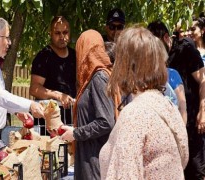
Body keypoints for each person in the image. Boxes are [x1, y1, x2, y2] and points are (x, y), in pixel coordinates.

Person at [99, 26, 189, 179]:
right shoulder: (167, 105)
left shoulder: (135, 114)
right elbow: (183, 157)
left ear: (125, 65)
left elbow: (125, 175)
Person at [148, 20, 205, 179]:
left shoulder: (186, 50)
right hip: (168, 133)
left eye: (156, 44)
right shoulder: (153, 59)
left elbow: (203, 80)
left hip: (192, 124)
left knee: (196, 171)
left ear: (166, 38)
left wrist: (203, 110)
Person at [60, 30, 117, 179]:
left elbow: (106, 122)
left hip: (95, 162)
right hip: (90, 159)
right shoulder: (95, 77)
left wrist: (76, 133)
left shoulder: (99, 78)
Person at [30, 16, 76, 134]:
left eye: (65, 32)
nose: (62, 37)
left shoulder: (75, 56)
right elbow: (34, 89)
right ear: (50, 33)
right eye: (57, 33)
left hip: (71, 121)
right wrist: (58, 95)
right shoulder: (43, 57)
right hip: (47, 123)